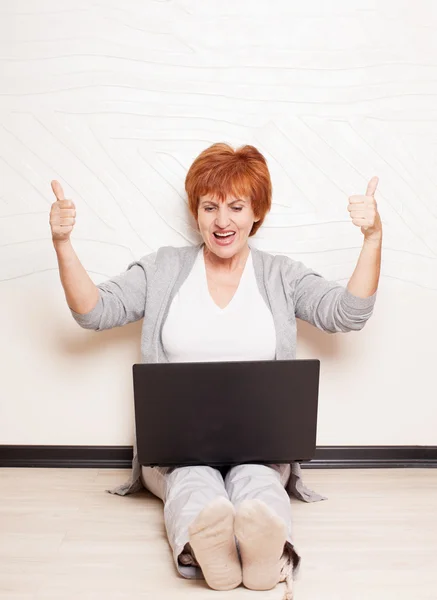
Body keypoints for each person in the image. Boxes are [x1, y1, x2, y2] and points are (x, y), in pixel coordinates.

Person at [49, 143, 382, 600]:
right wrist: (63, 246)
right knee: (192, 481)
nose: (222, 221)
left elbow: (348, 315)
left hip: (261, 445)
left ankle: (267, 555)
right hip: (177, 450)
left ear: (256, 213)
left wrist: (373, 239)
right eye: (210, 207)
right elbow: (94, 312)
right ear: (196, 212)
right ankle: (212, 554)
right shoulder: (164, 269)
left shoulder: (281, 275)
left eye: (236, 207)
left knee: (259, 480)